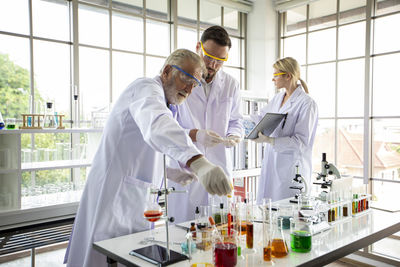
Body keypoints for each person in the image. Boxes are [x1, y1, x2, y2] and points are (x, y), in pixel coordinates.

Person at [64, 49, 232, 267]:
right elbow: (157, 126)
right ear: (167, 71)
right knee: (104, 257)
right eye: (187, 79)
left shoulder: (163, 101)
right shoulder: (145, 88)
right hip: (114, 196)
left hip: (133, 198)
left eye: (195, 84)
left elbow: (141, 150)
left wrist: (171, 172)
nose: (190, 89)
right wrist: (198, 162)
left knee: (131, 255)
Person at [168, 26, 243, 223]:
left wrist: (236, 134)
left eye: (220, 60)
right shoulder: (180, 78)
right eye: (209, 57)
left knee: (219, 230)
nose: (213, 65)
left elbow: (236, 120)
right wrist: (195, 134)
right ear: (198, 47)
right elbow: (167, 128)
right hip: (186, 168)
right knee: (184, 233)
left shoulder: (231, 84)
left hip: (219, 164)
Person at [253, 57, 318, 202]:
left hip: (291, 170)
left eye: (275, 75)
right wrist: (250, 125)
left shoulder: (307, 103)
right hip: (272, 164)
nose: (272, 79)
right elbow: (262, 118)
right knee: (266, 211)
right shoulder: (278, 98)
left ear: (288, 76)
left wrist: (271, 140)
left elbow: (301, 142)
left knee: (286, 215)